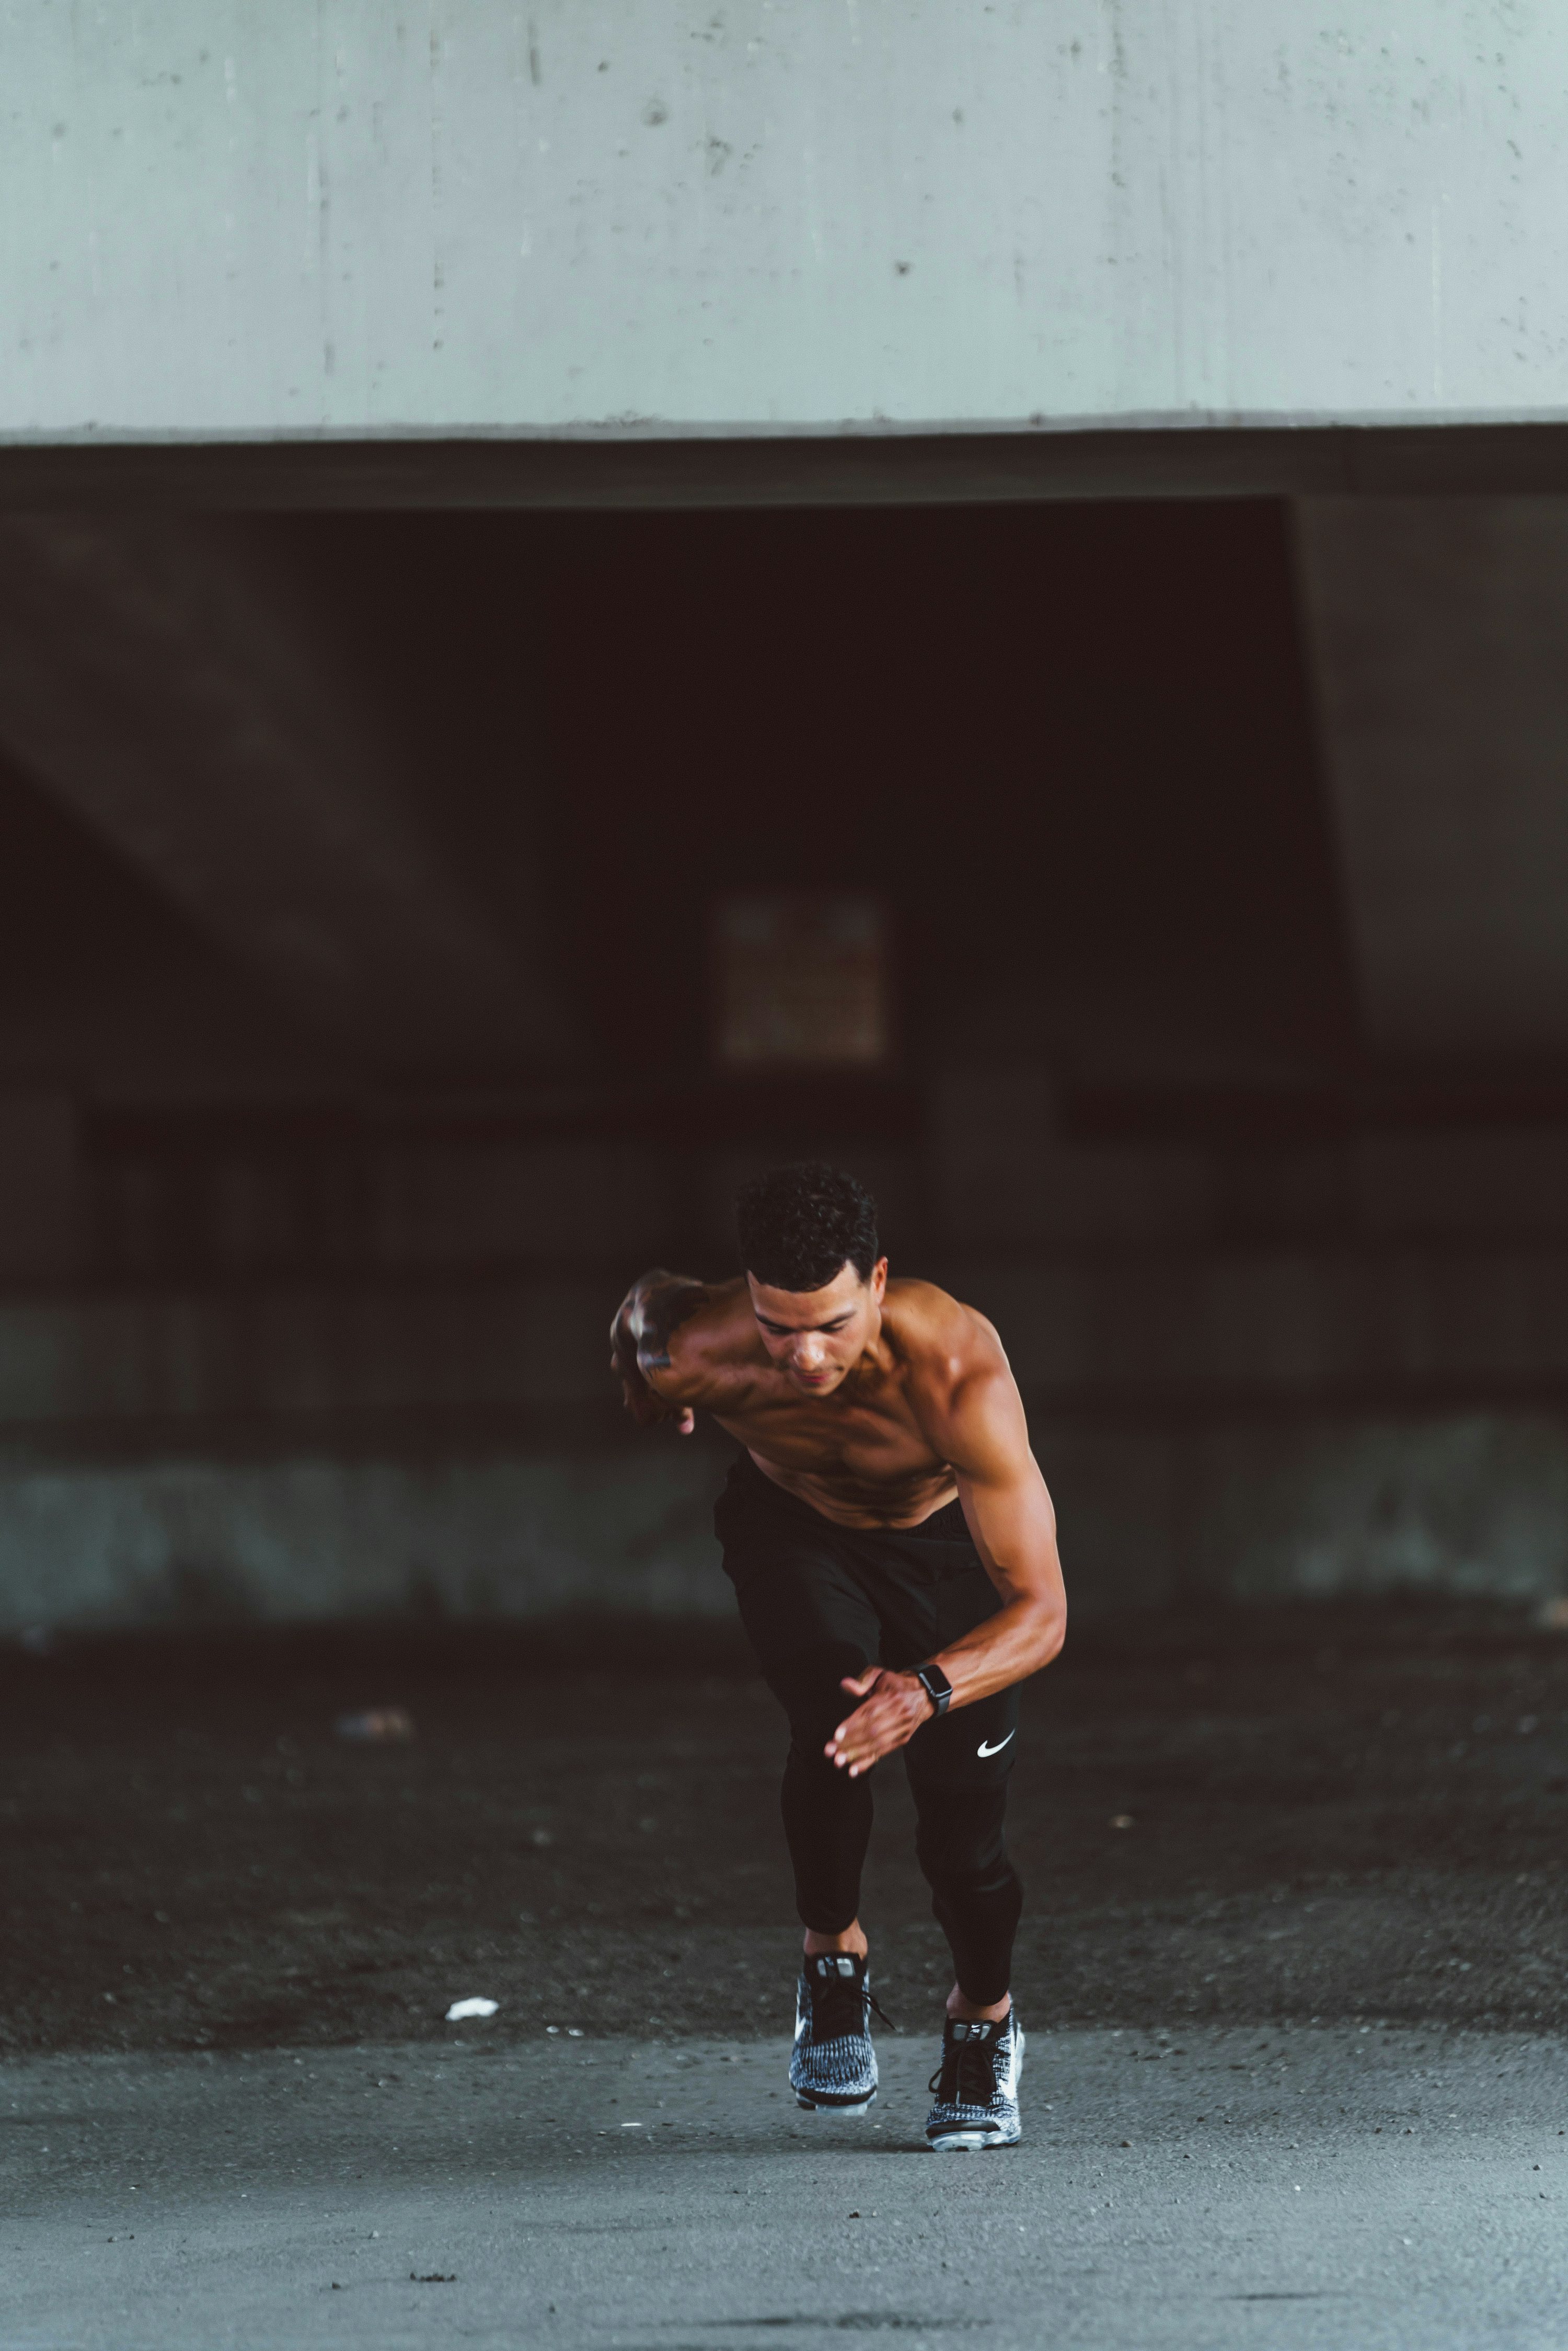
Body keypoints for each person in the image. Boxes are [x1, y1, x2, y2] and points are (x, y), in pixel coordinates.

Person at [609, 1162, 1066, 2151]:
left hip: (944, 1554)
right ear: (749, 1300)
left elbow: (1042, 1613)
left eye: (834, 1326)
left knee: (964, 1842)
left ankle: (984, 2020)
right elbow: (644, 1312)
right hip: (797, 1528)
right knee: (833, 1715)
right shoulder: (697, 1349)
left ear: (879, 1281)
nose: (808, 1358)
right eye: (780, 1329)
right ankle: (833, 1957)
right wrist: (642, 1388)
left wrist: (931, 1686)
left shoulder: (958, 1374)